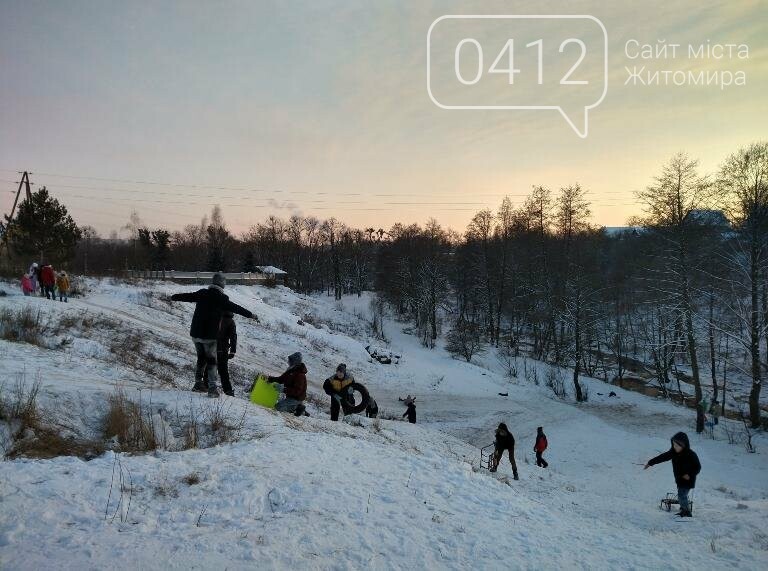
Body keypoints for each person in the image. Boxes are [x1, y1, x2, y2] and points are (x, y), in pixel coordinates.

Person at [171, 273, 258, 398]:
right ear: (222, 283)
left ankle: (198, 384)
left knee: (201, 358)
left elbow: (187, 296)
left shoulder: (202, 293)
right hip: (209, 336)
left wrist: (174, 297)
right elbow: (237, 308)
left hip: (195, 334)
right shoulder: (222, 298)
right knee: (212, 361)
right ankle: (212, 389)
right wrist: (251, 315)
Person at [644, 432, 701, 517]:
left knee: (682, 495)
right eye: (674, 445)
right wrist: (650, 462)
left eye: (677, 446)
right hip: (679, 479)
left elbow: (697, 467)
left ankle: (686, 512)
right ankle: (683, 508)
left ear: (684, 445)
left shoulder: (691, 454)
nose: (675, 447)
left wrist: (689, 474)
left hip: (688, 479)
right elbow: (662, 457)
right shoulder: (673, 453)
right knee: (681, 495)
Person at [268, 352, 308, 416]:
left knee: (278, 407)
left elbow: (297, 391)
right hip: (290, 396)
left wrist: (283, 389)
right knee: (280, 404)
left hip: (296, 398)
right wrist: (270, 379)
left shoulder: (300, 375)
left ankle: (298, 409)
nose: (288, 362)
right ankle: (297, 407)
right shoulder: (291, 370)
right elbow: (281, 379)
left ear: (295, 362)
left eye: (290, 360)